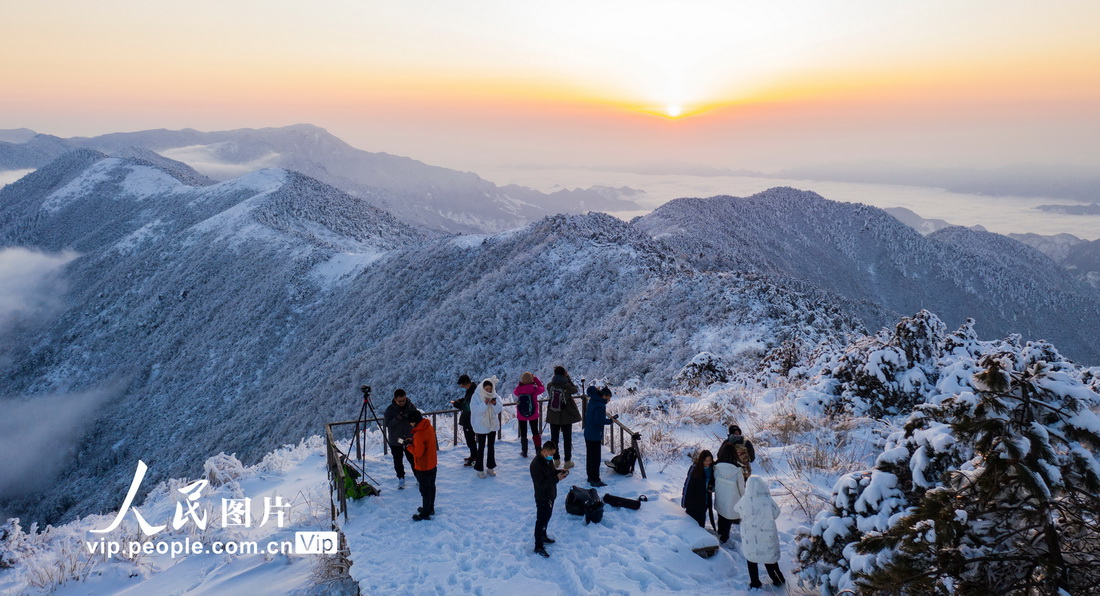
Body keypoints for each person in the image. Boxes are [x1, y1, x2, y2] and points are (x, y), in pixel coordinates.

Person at [733, 476, 786, 589]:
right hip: (767, 534)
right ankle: (778, 580)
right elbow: (776, 513)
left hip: (750, 535)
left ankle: (755, 583)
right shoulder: (767, 499)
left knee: (752, 559)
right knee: (769, 559)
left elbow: (737, 509)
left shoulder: (745, 500)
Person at [529, 439, 569, 558]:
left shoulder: (548, 460)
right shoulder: (535, 465)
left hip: (550, 495)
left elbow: (551, 473)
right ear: (545, 451)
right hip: (542, 497)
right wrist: (557, 478)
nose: (552, 457)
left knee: (547, 518)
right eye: (551, 454)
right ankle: (538, 545)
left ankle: (544, 536)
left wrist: (560, 472)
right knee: (541, 520)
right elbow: (540, 484)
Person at [544, 366, 581, 469]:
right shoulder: (567, 386)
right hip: (566, 416)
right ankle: (567, 461)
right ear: (564, 374)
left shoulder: (550, 385)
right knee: (567, 439)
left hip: (553, 415)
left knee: (554, 439)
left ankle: (556, 460)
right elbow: (575, 390)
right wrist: (568, 379)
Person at [406, 410, 438, 521]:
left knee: (425, 490)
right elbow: (426, 443)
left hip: (423, 466)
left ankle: (425, 513)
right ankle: (430, 508)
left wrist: (409, 447)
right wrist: (413, 441)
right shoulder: (428, 427)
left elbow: (418, 453)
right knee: (431, 487)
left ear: (413, 421)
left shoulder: (419, 434)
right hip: (432, 463)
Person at [713, 440, 747, 543]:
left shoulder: (716, 467)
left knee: (721, 518)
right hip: (732, 500)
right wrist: (744, 499)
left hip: (720, 498)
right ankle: (724, 538)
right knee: (728, 520)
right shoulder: (737, 470)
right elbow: (741, 488)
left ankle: (721, 535)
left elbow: (714, 483)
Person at [469, 376, 503, 479]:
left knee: (491, 447)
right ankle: (479, 469)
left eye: (490, 389)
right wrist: (485, 403)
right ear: (482, 388)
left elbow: (499, 409)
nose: (488, 390)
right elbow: (475, 411)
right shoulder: (476, 396)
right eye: (486, 389)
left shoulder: (494, 395)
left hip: (492, 424)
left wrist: (494, 404)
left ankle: (490, 467)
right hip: (481, 425)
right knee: (481, 447)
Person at [383, 389, 417, 489]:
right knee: (398, 460)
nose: (402, 403)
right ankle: (401, 478)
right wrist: (397, 418)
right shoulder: (390, 410)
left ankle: (418, 477)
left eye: (404, 400)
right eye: (400, 401)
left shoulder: (411, 406)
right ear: (395, 399)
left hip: (408, 439)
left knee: (413, 459)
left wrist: (409, 417)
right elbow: (387, 424)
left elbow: (417, 420)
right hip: (396, 439)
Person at [583, 385, 615, 487]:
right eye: (609, 398)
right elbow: (598, 420)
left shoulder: (593, 400)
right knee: (595, 458)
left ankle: (590, 477)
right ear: (604, 396)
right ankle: (595, 479)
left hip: (588, 432)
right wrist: (610, 421)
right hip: (594, 434)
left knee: (590, 456)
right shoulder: (600, 405)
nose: (609, 400)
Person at [513, 371, 545, 458]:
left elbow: (515, 391)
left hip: (521, 415)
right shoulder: (534, 389)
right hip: (533, 414)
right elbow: (542, 388)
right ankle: (538, 450)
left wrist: (521, 384)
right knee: (535, 432)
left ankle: (524, 451)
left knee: (523, 433)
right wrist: (535, 379)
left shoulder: (518, 390)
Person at [680, 449, 714, 528]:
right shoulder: (695, 469)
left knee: (701, 524)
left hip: (704, 501)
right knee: (691, 524)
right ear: (701, 460)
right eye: (706, 461)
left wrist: (712, 487)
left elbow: (713, 482)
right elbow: (688, 486)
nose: (708, 463)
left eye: (710, 460)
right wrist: (684, 502)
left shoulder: (712, 469)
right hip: (693, 501)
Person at [452, 374, 478, 466]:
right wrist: (461, 400)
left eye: (462, 386)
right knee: (470, 439)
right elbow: (467, 401)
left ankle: (475, 458)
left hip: (470, 420)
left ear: (467, 384)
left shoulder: (473, 392)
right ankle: (473, 455)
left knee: (470, 439)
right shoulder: (471, 390)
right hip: (468, 419)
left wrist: (457, 404)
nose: (462, 388)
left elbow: (469, 407)